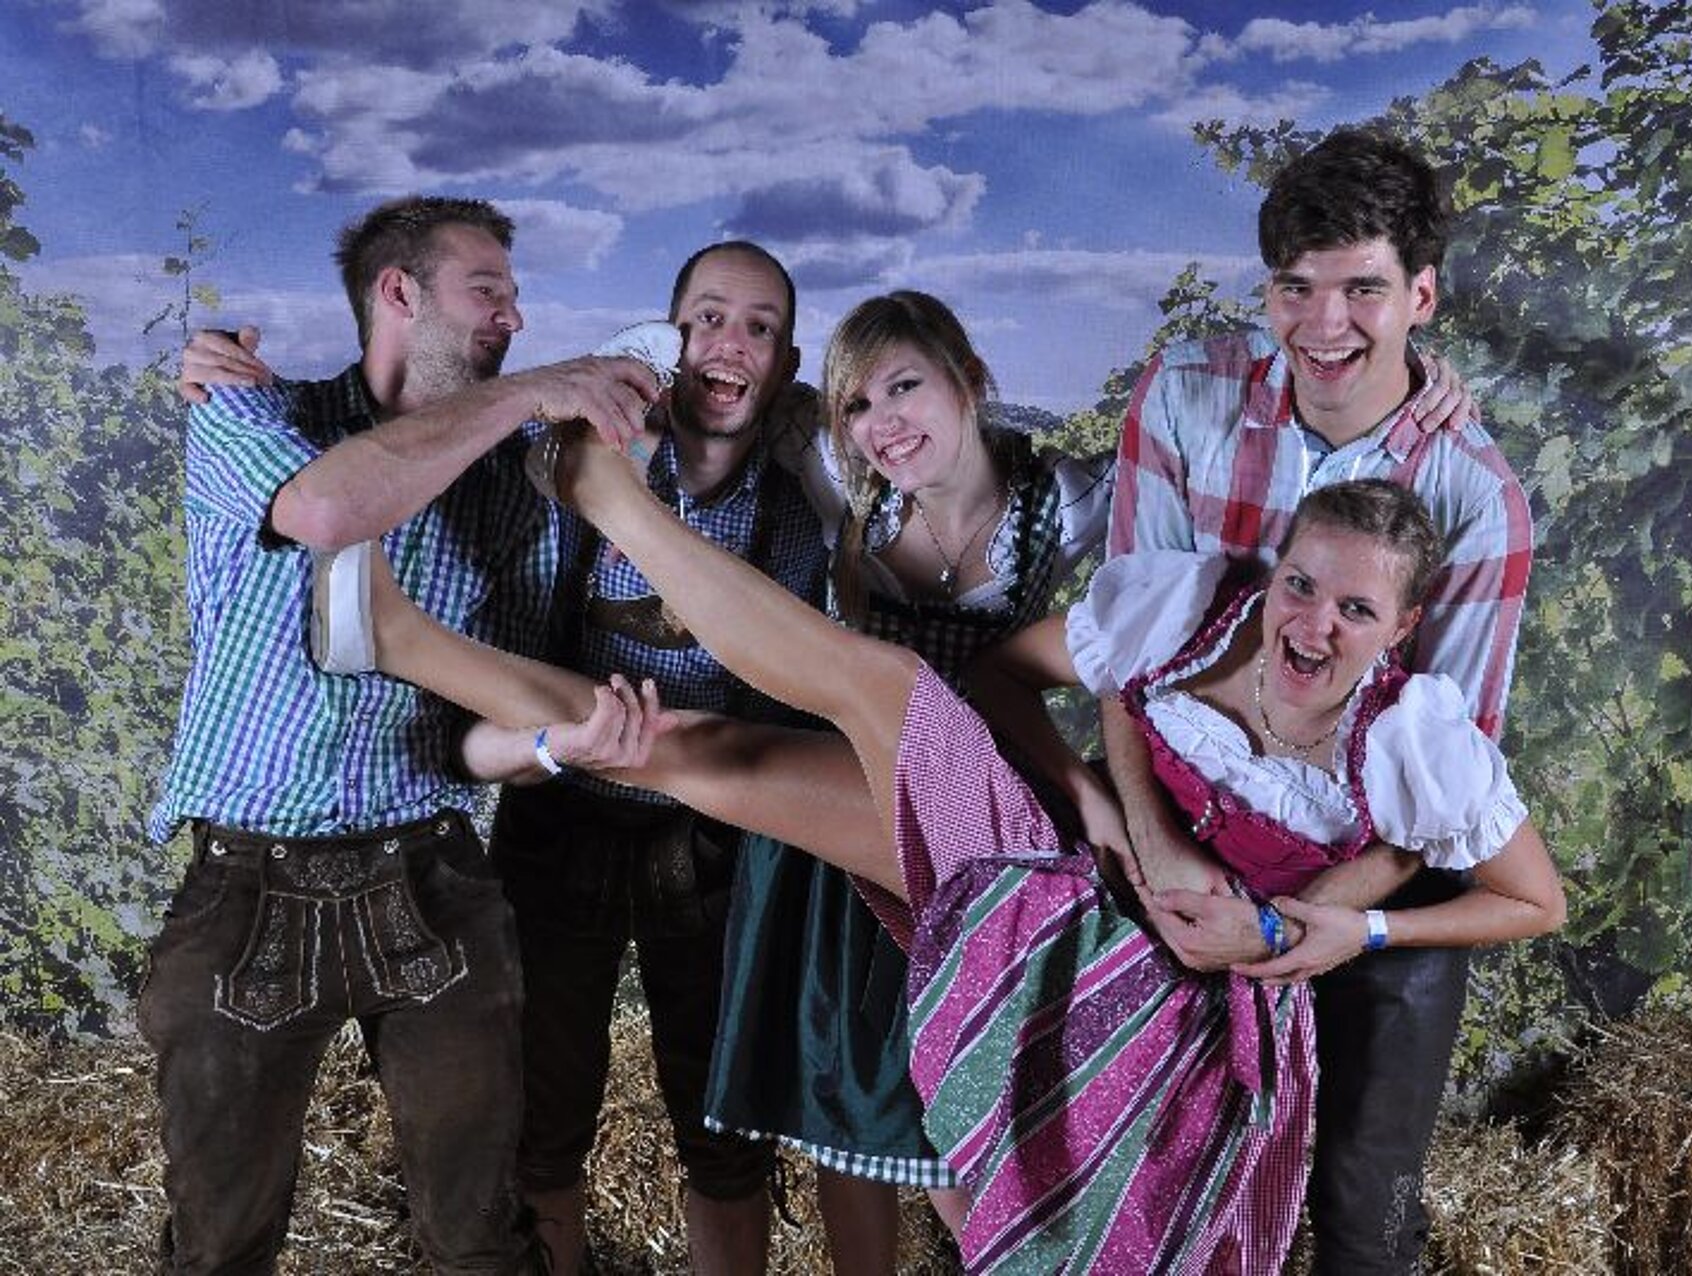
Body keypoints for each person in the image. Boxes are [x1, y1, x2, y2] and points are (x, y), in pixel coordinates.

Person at [338, 448, 1565, 1272]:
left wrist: (1355, 929)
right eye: (1303, 584)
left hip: (1172, 1008)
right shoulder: (1201, 607)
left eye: (1356, 610)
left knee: (792, 724)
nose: (1313, 623)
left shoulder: (1415, 737)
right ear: (1278, 565)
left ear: (1404, 626)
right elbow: (1013, 681)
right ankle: (404, 632)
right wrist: (1103, 805)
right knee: (715, 749)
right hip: (1053, 877)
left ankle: (592, 503)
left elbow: (1533, 898)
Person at [181, 240, 827, 1276]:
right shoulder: (570, 464)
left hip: (707, 837)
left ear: (786, 364)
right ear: (669, 341)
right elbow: (385, 486)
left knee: (724, 1134)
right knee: (543, 1129)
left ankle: (400, 636)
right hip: (559, 824)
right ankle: (400, 636)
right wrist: (230, 373)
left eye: (761, 328)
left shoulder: (796, 511)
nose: (730, 342)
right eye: (708, 318)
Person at [143, 194, 661, 1274]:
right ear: (398, 294)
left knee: (478, 1238)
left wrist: (555, 747)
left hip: (431, 877)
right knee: (219, 1244)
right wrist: (535, 389)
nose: (514, 318)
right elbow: (333, 512)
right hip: (245, 885)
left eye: (515, 298)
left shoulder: (518, 495)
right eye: (488, 291)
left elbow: (478, 735)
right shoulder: (253, 413)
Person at [1103, 127, 1534, 1272]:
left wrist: (1288, 929)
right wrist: (1162, 857)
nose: (1323, 323)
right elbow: (1125, 666)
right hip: (1179, 813)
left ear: (1422, 296)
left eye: (1363, 290)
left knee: (1362, 1208)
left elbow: (1440, 786)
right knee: (1131, 1168)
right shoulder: (1184, 396)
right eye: (1296, 287)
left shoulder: (1475, 499)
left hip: (1368, 861)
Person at [704, 290, 1112, 1262]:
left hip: (979, 832)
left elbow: (1201, 473)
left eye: (904, 387)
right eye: (856, 402)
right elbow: (723, 390)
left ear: (967, 379)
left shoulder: (1063, 498)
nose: (880, 422)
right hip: (850, 826)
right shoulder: (846, 488)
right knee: (854, 1098)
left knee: (971, 1109)